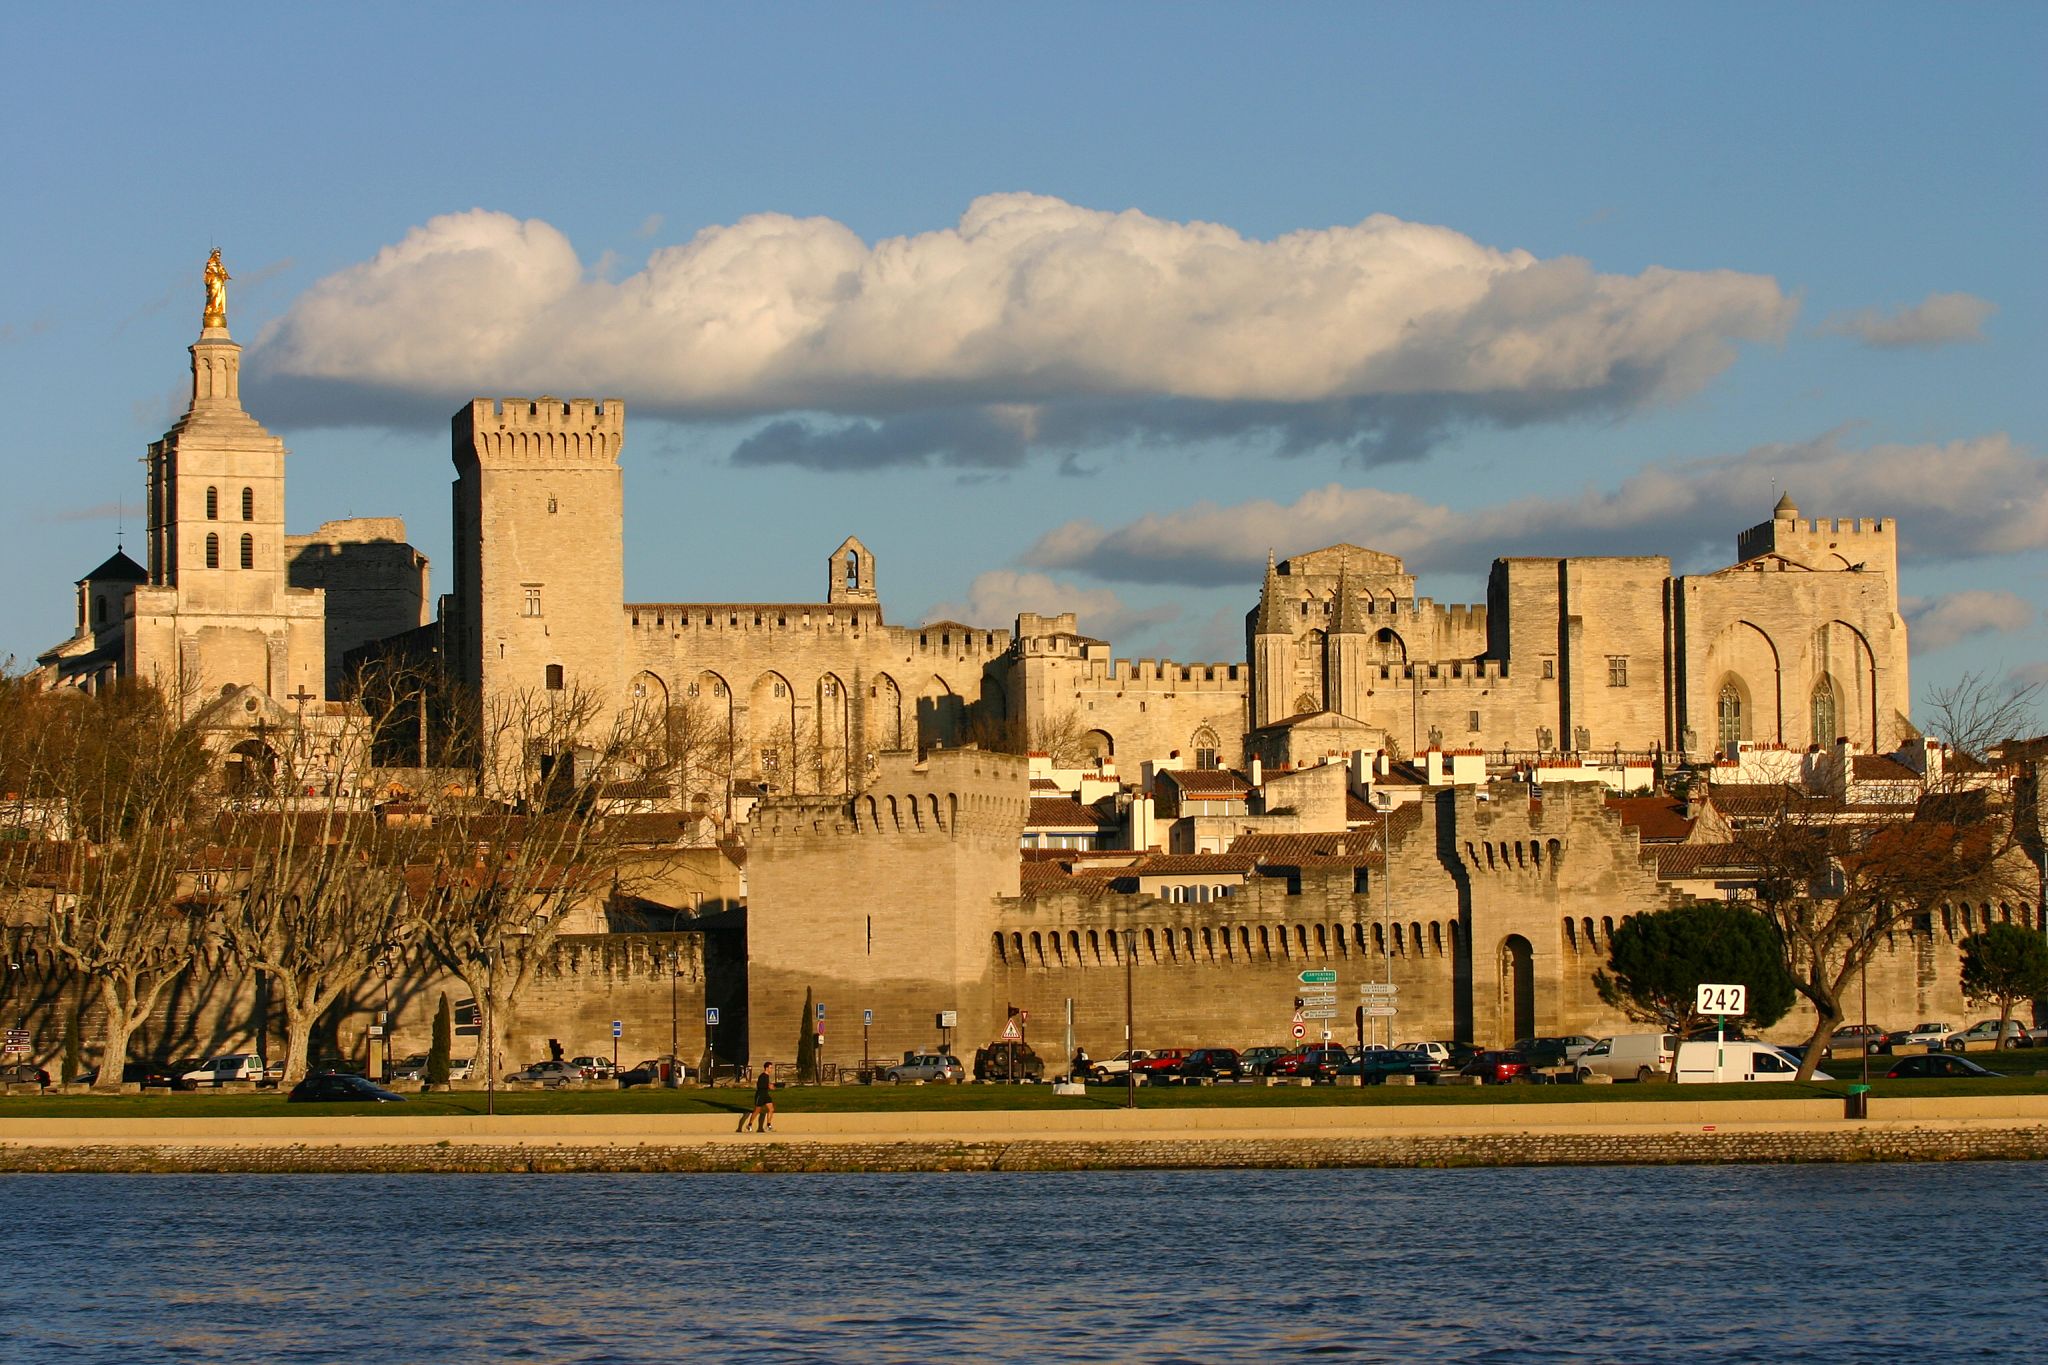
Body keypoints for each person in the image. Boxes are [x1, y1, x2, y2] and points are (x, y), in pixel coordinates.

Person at [739, 1060, 775, 1133]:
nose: (771, 1069)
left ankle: (768, 1125)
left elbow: (767, 1085)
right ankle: (749, 1125)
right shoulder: (762, 1076)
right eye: (770, 1068)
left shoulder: (767, 1076)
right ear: (766, 1068)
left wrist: (770, 1086)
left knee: (771, 1109)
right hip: (760, 1095)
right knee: (757, 1111)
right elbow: (760, 1086)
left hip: (766, 1095)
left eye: (771, 1068)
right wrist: (769, 1086)